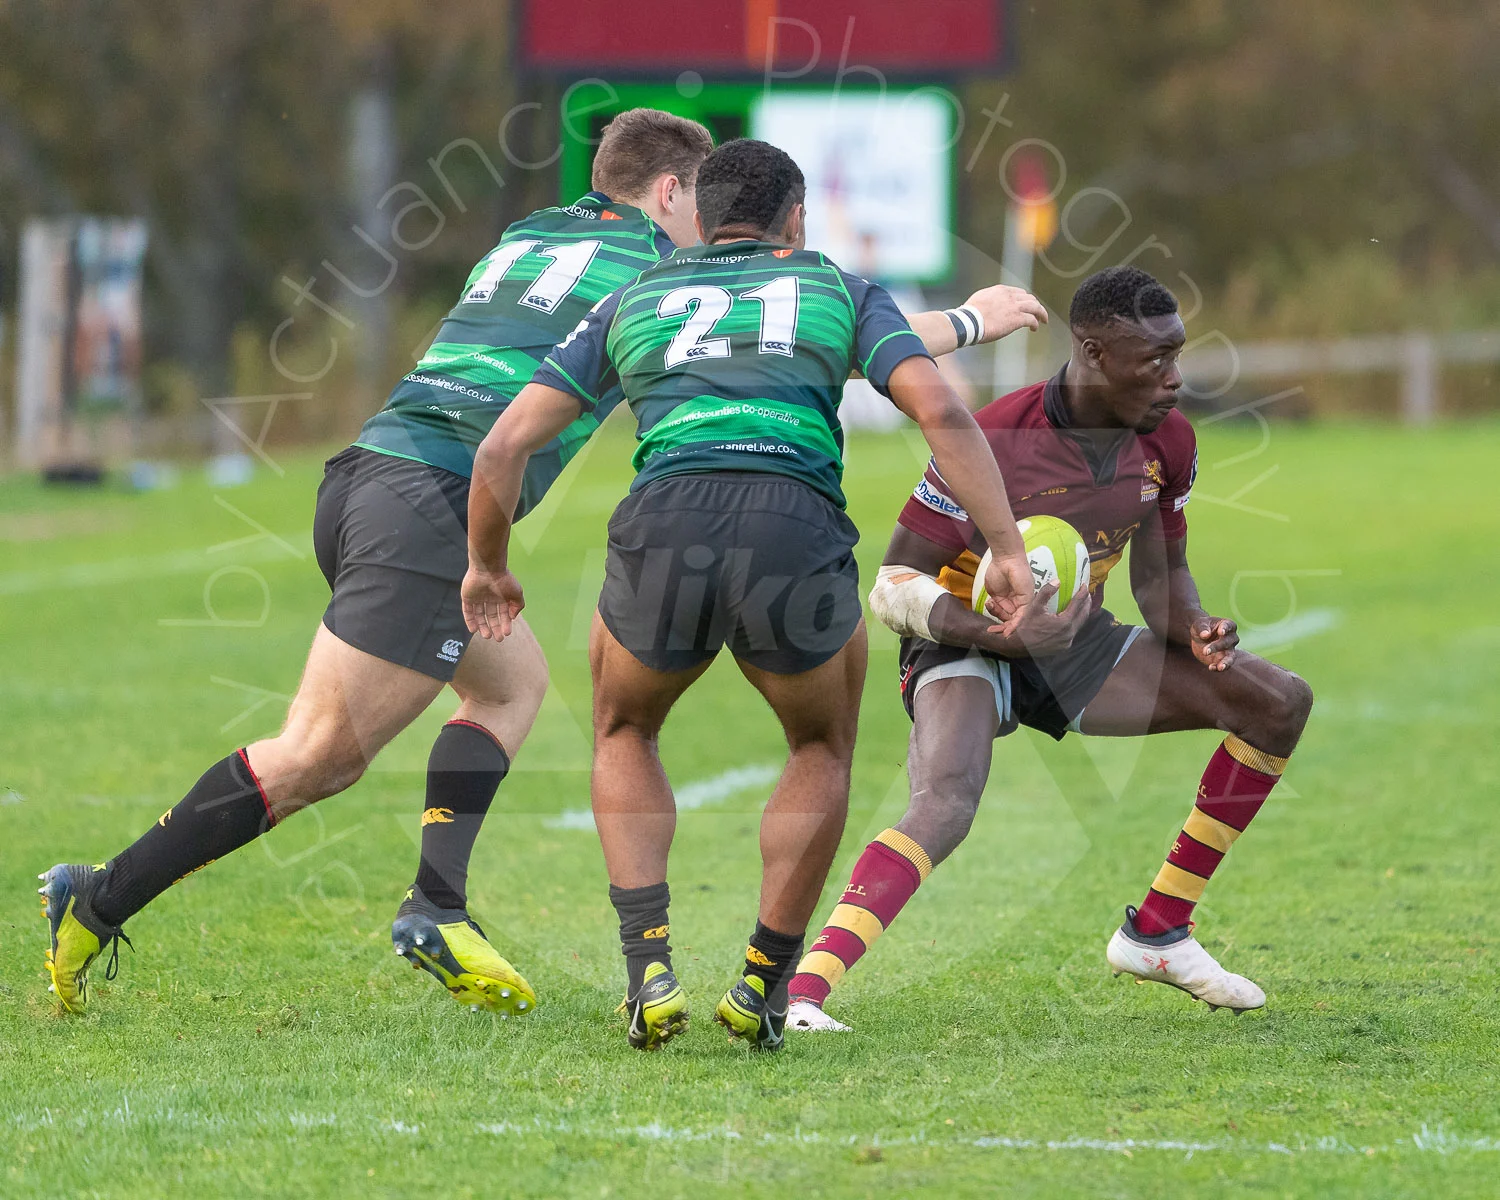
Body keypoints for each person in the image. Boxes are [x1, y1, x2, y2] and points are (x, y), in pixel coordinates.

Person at [38, 110, 1046, 1019]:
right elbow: (795, 326)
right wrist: (970, 321)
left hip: (368, 472)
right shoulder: (659, 266)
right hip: (435, 500)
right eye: (692, 206)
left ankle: (437, 904)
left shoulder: (531, 235)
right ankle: (103, 895)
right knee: (319, 754)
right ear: (666, 195)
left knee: (510, 686)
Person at [460, 138, 1041, 1052]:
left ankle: (648, 970)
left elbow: (501, 449)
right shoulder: (837, 290)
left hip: (667, 521)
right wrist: (1003, 546)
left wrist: (487, 565)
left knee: (625, 729)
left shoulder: (633, 298)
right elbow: (941, 413)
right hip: (791, 521)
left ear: (694, 217)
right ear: (796, 220)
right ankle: (765, 981)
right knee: (819, 743)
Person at [786, 265, 1315, 1032]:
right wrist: (996, 632)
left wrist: (1197, 625)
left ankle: (1158, 931)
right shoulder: (993, 437)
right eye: (1154, 361)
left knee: (1278, 702)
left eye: (1178, 355)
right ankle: (806, 991)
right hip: (963, 640)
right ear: (1094, 353)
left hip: (1077, 645)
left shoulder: (1170, 439)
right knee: (947, 800)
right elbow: (894, 583)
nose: (1174, 379)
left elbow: (1163, 583)